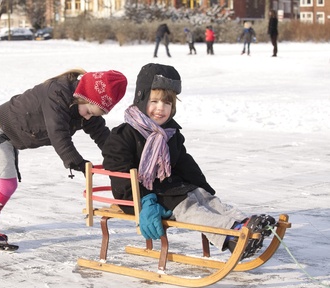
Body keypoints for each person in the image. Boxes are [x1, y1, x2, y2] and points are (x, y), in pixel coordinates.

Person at [0, 69, 128, 247]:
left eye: (94, 115)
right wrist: (76, 161)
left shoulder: (83, 105)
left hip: (11, 136)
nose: (87, 118)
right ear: (84, 95)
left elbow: (101, 133)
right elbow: (58, 132)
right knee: (7, 184)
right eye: (88, 112)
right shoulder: (58, 94)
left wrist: (119, 156)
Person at [102, 63, 276, 260]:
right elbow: (121, 176)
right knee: (189, 208)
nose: (161, 108)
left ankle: (242, 223)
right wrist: (145, 201)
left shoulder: (170, 133)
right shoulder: (122, 136)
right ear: (141, 99)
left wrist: (202, 187)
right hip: (143, 196)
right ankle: (231, 235)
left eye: (167, 103)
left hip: (172, 188)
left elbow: (184, 163)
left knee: (205, 198)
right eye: (155, 101)